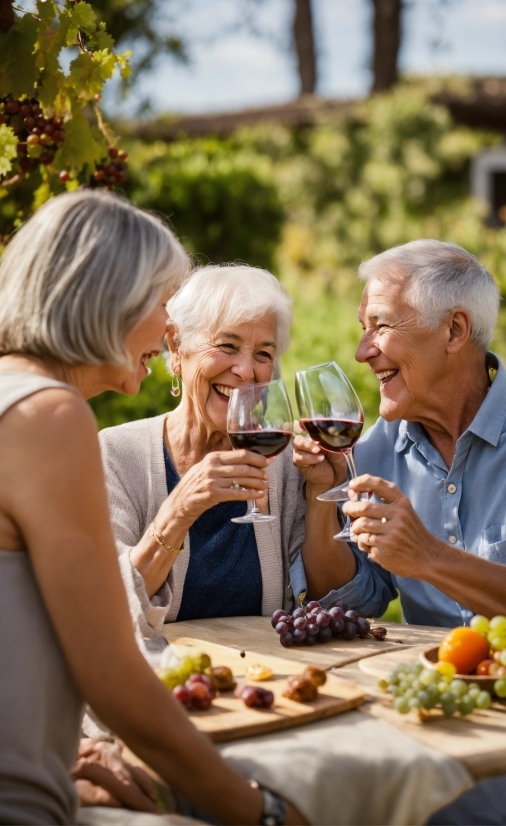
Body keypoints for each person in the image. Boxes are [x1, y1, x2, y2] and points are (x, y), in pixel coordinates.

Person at [0, 190, 303, 826]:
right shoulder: (50, 417)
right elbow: (114, 678)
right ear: (108, 299)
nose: (169, 328)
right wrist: (261, 813)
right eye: (163, 302)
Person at [293, 239, 506, 825]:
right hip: (429, 715)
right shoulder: (378, 448)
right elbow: (354, 597)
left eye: (379, 326)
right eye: (363, 328)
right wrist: (316, 501)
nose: (361, 352)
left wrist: (428, 557)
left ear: (455, 330)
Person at [99, 265, 307, 639]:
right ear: (177, 347)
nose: (246, 371)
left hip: (266, 683)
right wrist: (179, 510)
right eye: (227, 346)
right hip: (159, 684)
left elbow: (321, 603)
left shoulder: (285, 464)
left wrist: (327, 495)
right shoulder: (116, 454)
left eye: (263, 354)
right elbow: (104, 610)